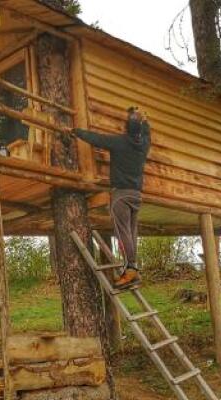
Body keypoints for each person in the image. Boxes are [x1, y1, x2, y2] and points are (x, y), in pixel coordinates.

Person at [70, 107, 151, 289]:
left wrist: (77, 132)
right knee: (131, 233)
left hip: (121, 195)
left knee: (123, 234)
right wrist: (144, 120)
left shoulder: (119, 142)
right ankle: (132, 270)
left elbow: (97, 139)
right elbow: (147, 133)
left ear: (125, 129)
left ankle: (131, 271)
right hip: (137, 196)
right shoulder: (144, 144)